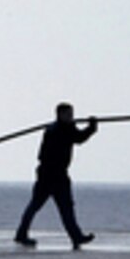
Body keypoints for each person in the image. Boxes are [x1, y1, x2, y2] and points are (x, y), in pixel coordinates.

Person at [14, 103, 98, 250]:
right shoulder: (57, 130)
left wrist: (90, 127)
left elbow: (77, 137)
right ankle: (21, 234)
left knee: (65, 208)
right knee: (37, 206)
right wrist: (91, 128)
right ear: (60, 115)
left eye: (72, 114)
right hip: (49, 175)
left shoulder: (62, 128)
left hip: (58, 174)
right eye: (68, 114)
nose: (71, 117)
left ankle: (76, 237)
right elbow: (78, 138)